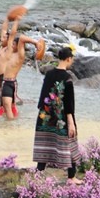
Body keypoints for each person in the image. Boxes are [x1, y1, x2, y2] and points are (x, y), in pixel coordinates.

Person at [33, 46, 82, 182]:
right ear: (68, 59)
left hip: (46, 115)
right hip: (61, 118)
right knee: (70, 142)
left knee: (44, 144)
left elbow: (43, 96)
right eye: (71, 59)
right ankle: (71, 177)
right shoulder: (68, 78)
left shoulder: (49, 74)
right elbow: (69, 104)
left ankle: (38, 175)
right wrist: (71, 123)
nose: (72, 61)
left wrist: (42, 112)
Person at [0, 31, 45, 120]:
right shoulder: (11, 53)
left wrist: (35, 43)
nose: (11, 45)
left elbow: (22, 38)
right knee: (8, 106)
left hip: (10, 83)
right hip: (7, 83)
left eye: (14, 44)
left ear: (18, 45)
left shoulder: (20, 55)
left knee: (7, 106)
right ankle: (12, 123)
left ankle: (9, 127)